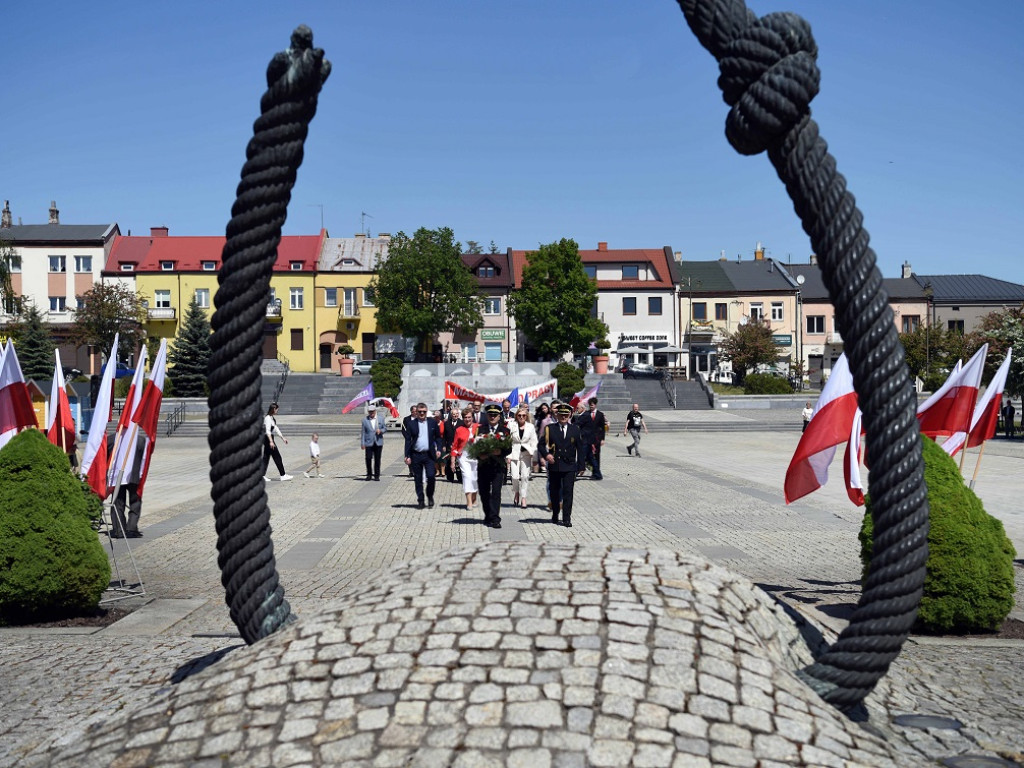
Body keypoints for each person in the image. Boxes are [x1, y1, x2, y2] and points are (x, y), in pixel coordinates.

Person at [543, 403, 585, 527]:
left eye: (566, 414)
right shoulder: (550, 428)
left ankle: (566, 518)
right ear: (557, 415)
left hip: (570, 465)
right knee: (555, 492)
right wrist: (546, 455)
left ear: (570, 415)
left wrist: (581, 466)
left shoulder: (575, 429)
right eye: (561, 414)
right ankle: (555, 513)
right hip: (555, 465)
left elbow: (580, 448)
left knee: (568, 492)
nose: (564, 417)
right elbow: (541, 445)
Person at [477, 403, 512, 528]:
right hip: (484, 466)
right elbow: (474, 447)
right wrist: (479, 455)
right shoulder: (480, 430)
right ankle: (488, 515)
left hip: (498, 467)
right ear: (487, 416)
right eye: (490, 415)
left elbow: (509, 449)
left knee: (496, 493)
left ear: (499, 416)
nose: (492, 417)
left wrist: (500, 452)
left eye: (495, 415)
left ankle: (495, 519)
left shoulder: (505, 431)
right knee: (484, 492)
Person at [404, 402, 442, 509]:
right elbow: (408, 440)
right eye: (419, 412)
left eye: (424, 412)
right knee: (418, 479)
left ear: (426, 411)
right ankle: (420, 500)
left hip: (429, 455)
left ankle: (430, 495)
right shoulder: (411, 424)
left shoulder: (432, 422)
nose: (421, 413)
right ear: (416, 412)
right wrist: (407, 455)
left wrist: (439, 449)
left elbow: (438, 437)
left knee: (431, 477)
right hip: (416, 454)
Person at [450, 406, 480, 510]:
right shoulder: (459, 430)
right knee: (467, 477)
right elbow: (454, 446)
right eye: (465, 417)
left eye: (469, 417)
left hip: (476, 456)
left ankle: (475, 498)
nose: (467, 419)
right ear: (462, 418)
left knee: (475, 478)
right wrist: (452, 461)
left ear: (472, 417)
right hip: (464, 457)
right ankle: (469, 502)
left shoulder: (478, 427)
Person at [508, 406, 538, 508]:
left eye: (523, 415)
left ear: (526, 416)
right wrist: (507, 456)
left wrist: (534, 455)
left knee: (525, 476)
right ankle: (516, 492)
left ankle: (523, 497)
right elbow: (507, 441)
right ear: (516, 416)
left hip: (526, 454)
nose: (521, 417)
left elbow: (534, 441)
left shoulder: (530, 427)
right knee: (514, 476)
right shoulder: (512, 425)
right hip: (514, 453)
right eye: (519, 415)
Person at [575, 397, 607, 480]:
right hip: (589, 439)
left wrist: (603, 438)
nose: (576, 409)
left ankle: (573, 474)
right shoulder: (587, 414)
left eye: (577, 408)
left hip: (589, 439)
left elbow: (602, 428)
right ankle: (597, 474)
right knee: (591, 458)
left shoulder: (586, 415)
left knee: (582, 457)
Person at [263, 403, 293, 481]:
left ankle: (261, 476)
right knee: (277, 457)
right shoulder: (267, 418)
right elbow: (268, 431)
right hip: (268, 439)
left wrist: (283, 438)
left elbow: (276, 428)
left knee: (266, 458)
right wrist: (271, 442)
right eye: (277, 409)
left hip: (269, 439)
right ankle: (283, 475)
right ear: (273, 409)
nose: (277, 411)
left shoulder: (271, 418)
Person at [361, 404, 386, 480]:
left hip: (378, 442)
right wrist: (362, 443)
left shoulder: (380, 419)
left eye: (372, 411)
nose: (371, 413)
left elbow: (385, 428)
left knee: (377, 459)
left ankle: (377, 475)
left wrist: (381, 431)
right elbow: (363, 432)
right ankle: (369, 474)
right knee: (368, 458)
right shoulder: (365, 420)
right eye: (370, 412)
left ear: (375, 411)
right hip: (368, 442)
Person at [443, 405, 461, 481]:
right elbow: (444, 436)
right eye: (453, 414)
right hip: (449, 446)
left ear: (458, 414)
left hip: (459, 446)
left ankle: (460, 477)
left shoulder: (462, 423)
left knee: (458, 462)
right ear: (451, 415)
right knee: (449, 461)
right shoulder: (446, 423)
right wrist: (443, 445)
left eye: (456, 414)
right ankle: (450, 478)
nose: (455, 415)